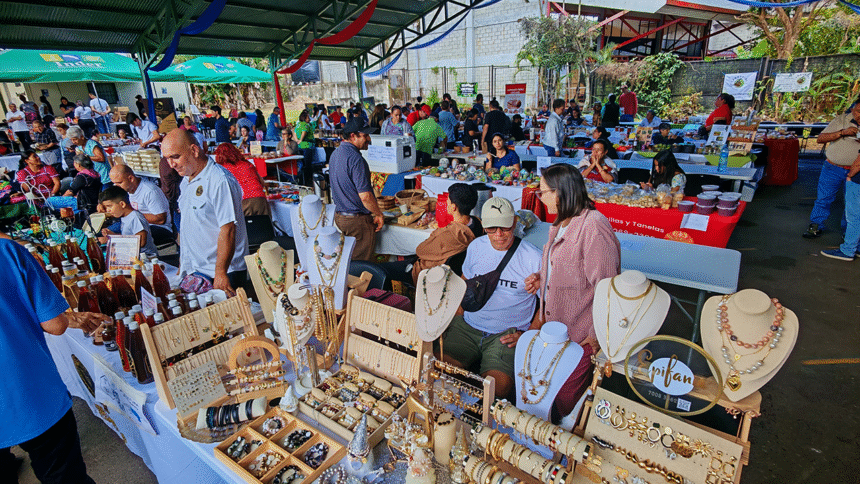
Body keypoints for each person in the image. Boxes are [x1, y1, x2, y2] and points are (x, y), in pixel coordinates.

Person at [0, 231, 102, 484]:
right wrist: (73, 318)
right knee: (63, 475)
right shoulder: (9, 251)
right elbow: (55, 325)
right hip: (31, 392)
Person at [524, 164, 620, 418]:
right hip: (557, 330)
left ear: (560, 192)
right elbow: (566, 268)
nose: (540, 198)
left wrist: (595, 337)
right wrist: (542, 278)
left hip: (581, 336)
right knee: (543, 395)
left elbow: (608, 288)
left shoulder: (593, 227)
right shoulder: (560, 224)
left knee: (562, 405)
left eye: (543, 192)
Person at [442, 197, 542, 398]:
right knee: (438, 371)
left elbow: (548, 304)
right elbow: (464, 282)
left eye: (505, 227)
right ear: (483, 226)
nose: (499, 234)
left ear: (514, 222)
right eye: (491, 228)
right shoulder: (476, 247)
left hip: (506, 333)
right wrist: (456, 317)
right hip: (468, 325)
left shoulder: (533, 257)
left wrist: (528, 336)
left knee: (497, 389)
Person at [162, 129, 249, 294]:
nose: (171, 164)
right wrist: (184, 264)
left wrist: (221, 273)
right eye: (167, 158)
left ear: (194, 150)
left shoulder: (219, 180)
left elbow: (228, 229)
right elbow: (188, 224)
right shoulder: (186, 180)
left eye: (175, 157)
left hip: (224, 270)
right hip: (198, 268)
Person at [376, 183, 480, 285]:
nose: (446, 203)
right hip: (453, 272)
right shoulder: (478, 224)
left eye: (448, 201)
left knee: (377, 269)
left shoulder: (450, 234)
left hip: (427, 272)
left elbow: (420, 250)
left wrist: (438, 232)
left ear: (453, 207)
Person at [803, 102, 860, 239]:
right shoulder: (841, 120)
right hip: (832, 167)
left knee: (851, 204)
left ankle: (848, 234)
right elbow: (821, 139)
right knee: (823, 198)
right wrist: (842, 133)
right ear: (852, 109)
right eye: (858, 111)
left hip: (856, 171)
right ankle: (816, 225)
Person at [330, 118, 383, 261]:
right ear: (353, 136)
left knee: (348, 259)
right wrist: (378, 213)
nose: (369, 139)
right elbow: (365, 196)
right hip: (356, 220)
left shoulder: (335, 154)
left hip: (340, 216)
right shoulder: (355, 159)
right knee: (360, 264)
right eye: (365, 135)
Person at [108, 164, 173, 242]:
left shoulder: (150, 191)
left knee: (122, 239)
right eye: (114, 183)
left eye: (119, 183)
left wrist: (133, 214)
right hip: (136, 224)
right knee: (105, 233)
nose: (116, 187)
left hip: (158, 228)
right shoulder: (127, 189)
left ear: (131, 178)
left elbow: (161, 219)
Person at [98, 186, 158, 256]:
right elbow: (129, 237)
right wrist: (113, 235)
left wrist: (114, 241)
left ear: (122, 204)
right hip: (133, 254)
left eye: (109, 206)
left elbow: (141, 242)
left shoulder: (135, 217)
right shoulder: (125, 217)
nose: (108, 210)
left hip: (145, 257)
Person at [215, 142, 271, 217]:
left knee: (247, 227)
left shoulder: (223, 169)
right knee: (265, 226)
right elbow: (262, 182)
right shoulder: (246, 164)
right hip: (259, 198)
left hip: (242, 201)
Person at [822, 153, 860, 259]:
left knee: (854, 217)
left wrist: (850, 175)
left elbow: (858, 162)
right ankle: (857, 247)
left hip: (858, 182)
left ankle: (848, 250)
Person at [295, 110, 317, 186]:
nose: (309, 119)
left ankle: (302, 178)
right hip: (307, 146)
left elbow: (294, 132)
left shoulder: (298, 124)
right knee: (308, 164)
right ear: (304, 118)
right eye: (308, 117)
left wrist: (297, 140)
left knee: (302, 164)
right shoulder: (305, 125)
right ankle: (309, 180)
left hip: (300, 146)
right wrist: (301, 139)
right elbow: (304, 132)